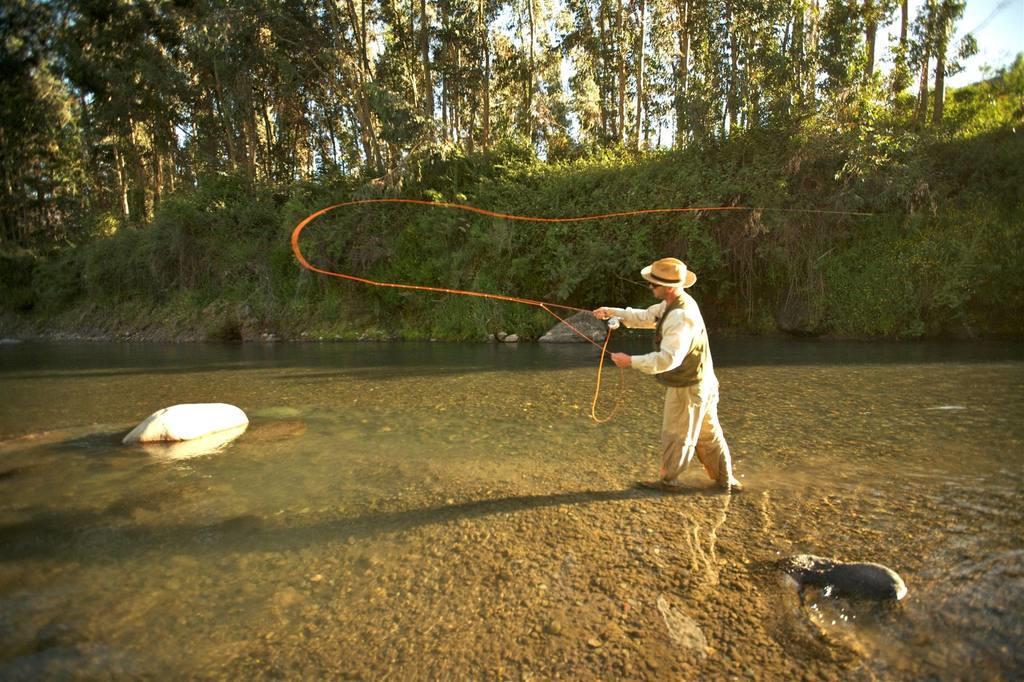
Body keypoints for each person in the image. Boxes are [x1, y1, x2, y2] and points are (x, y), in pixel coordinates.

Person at [594, 257, 742, 494]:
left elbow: (668, 360)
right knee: (708, 435)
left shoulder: (680, 317)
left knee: (676, 435)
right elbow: (646, 317)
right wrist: (612, 312)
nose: (650, 287)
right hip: (702, 383)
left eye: (653, 284)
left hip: (689, 387)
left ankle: (668, 482)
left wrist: (630, 361)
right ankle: (727, 482)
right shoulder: (674, 304)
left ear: (669, 287)